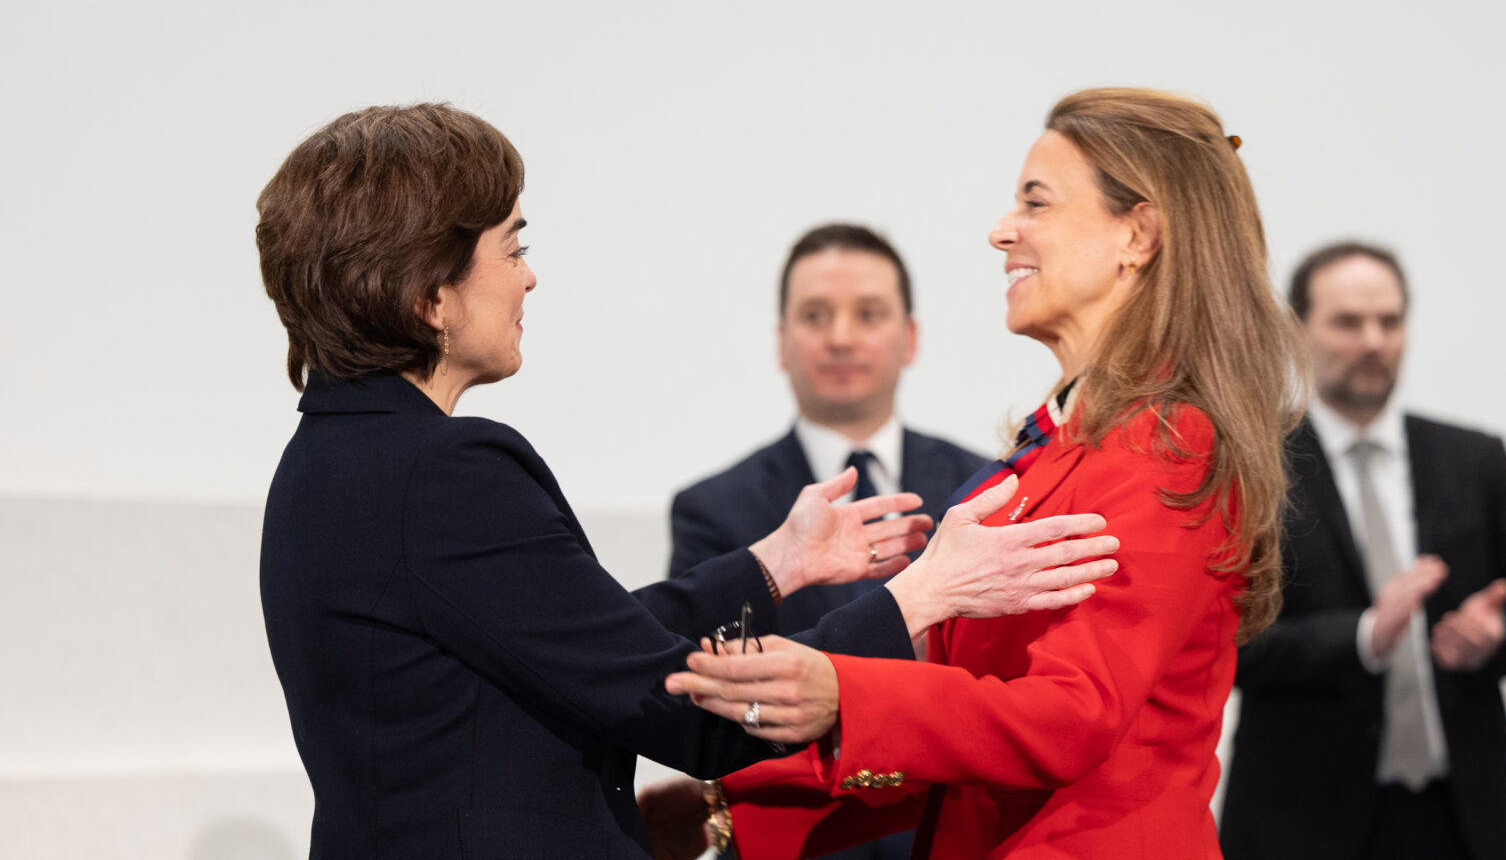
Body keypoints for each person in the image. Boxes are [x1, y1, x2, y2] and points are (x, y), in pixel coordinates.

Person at [254, 104, 1122, 860]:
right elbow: (690, 714)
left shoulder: (326, 460)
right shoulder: (444, 470)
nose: (529, 274)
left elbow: (578, 644)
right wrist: (919, 594)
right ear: (428, 293)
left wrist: (776, 566)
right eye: (511, 246)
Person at [645, 88, 1306, 860]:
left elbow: (1069, 716)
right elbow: (968, 743)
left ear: (1138, 233)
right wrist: (730, 807)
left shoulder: (1168, 443)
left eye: (1037, 202)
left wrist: (844, 694)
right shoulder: (1061, 442)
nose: (1002, 232)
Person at [1219, 242, 1506, 860]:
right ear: (1298, 329)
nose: (1373, 341)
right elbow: (1226, 645)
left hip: (1462, 818)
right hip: (1300, 819)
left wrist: (1496, 637)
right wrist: (1360, 636)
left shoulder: (1475, 460)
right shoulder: (1255, 465)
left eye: (1390, 320)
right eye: (1348, 322)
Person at [669, 223, 986, 636]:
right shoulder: (712, 511)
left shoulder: (980, 489)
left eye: (868, 314)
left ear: (910, 339)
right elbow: (705, 669)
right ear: (782, 342)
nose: (840, 338)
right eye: (815, 316)